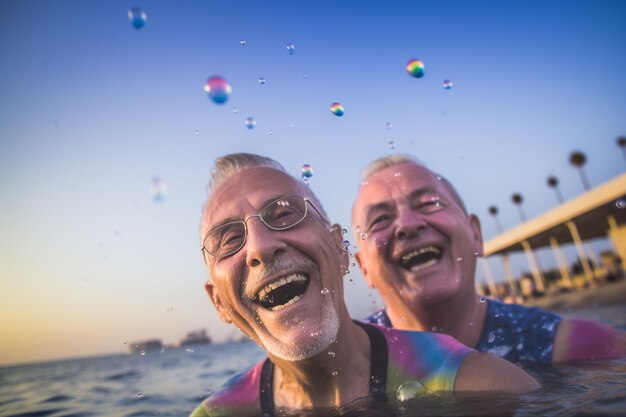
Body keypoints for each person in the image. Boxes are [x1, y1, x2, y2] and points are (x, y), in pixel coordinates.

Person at [190, 153, 539, 417]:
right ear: (218, 303)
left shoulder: (483, 386)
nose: (260, 247)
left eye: (284, 214)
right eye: (229, 239)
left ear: (342, 252)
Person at [352, 153, 626, 364]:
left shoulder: (574, 347)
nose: (408, 225)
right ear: (364, 268)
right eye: (381, 220)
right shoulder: (349, 364)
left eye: (428, 203)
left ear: (476, 234)